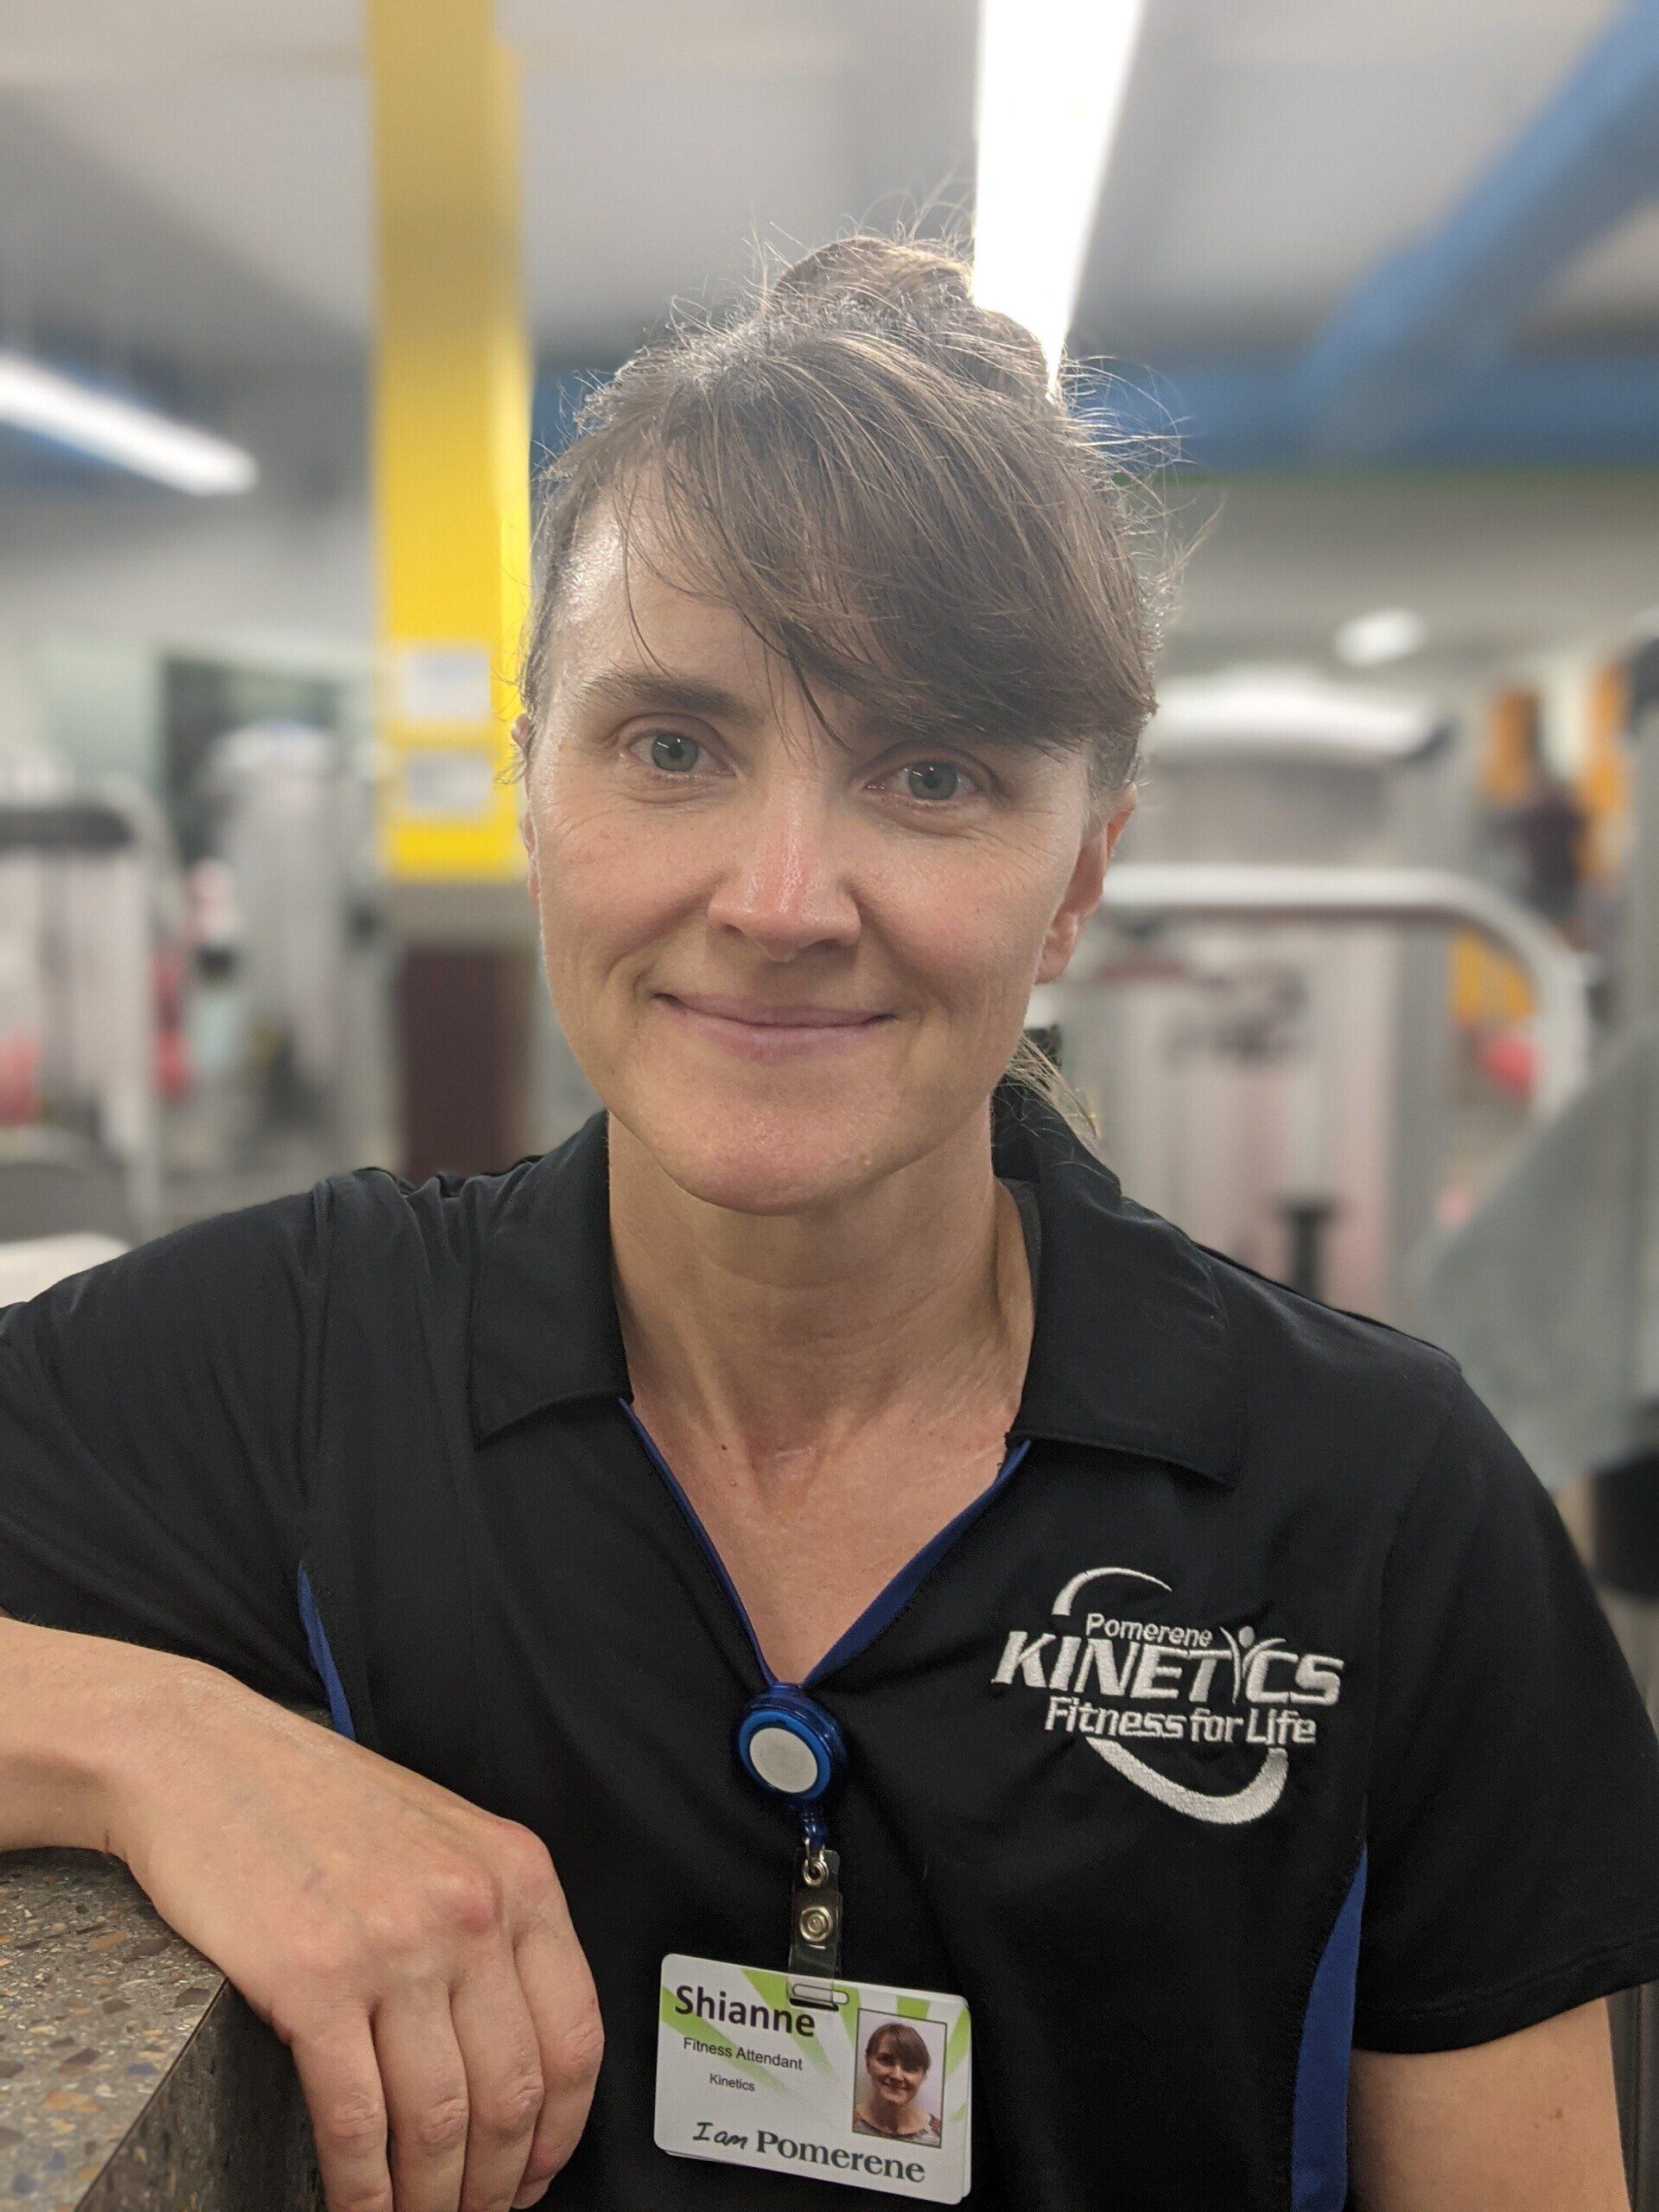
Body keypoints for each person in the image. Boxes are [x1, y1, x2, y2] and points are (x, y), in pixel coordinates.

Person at [3, 228, 1658, 2212]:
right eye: (675, 744)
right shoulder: (285, 1369)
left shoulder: (1378, 1505)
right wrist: (157, 1736)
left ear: (1077, 878)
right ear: (537, 789)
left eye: (932, 770)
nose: (782, 895)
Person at [851, 2021, 941, 2148]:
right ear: (868, 2063)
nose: (897, 2076)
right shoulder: (844, 2121)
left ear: (923, 2076)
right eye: (886, 2061)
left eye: (910, 2067)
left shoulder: (940, 2135)